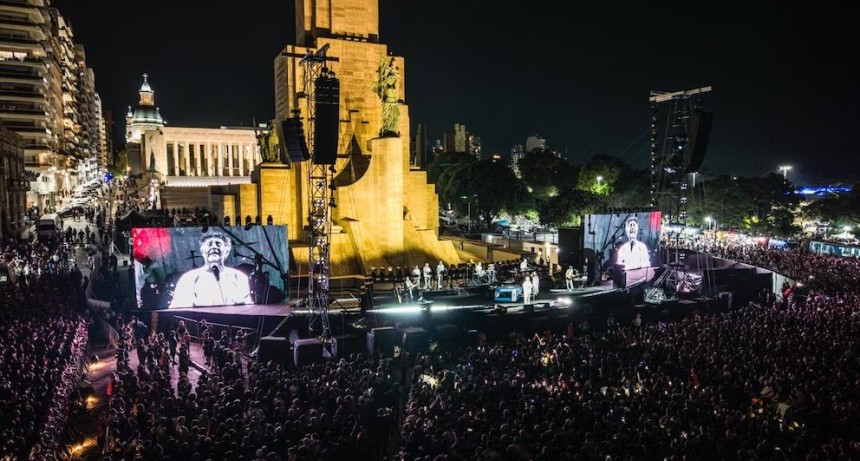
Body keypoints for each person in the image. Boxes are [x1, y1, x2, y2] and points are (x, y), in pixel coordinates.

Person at [169, 232, 252, 308]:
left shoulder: (239, 277)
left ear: (227, 251)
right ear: (202, 251)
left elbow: (249, 308)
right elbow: (177, 308)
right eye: (209, 244)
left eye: (218, 244)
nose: (214, 247)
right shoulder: (188, 278)